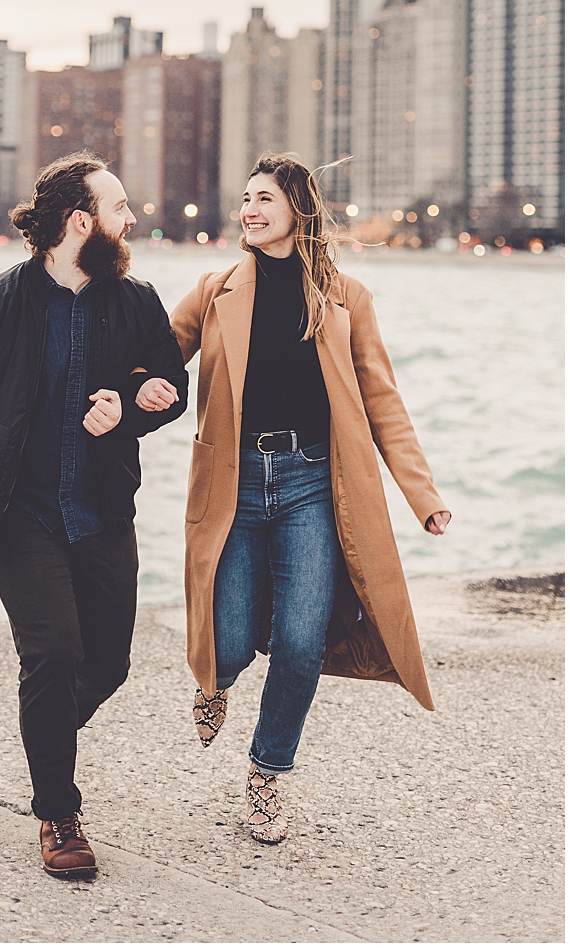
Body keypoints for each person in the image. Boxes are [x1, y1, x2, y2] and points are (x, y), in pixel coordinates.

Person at [142, 154, 450, 843]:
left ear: (297, 209)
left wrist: (421, 494)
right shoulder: (215, 286)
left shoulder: (346, 297)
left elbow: (383, 402)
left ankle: (265, 776)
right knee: (230, 638)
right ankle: (215, 678)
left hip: (314, 482)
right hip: (236, 485)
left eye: (264, 199)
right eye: (245, 198)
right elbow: (157, 351)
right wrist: (134, 384)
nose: (249, 210)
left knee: (303, 640)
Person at [0, 152, 189, 878]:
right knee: (53, 652)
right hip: (18, 512)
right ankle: (58, 813)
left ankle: (44, 737)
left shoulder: (136, 301)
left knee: (109, 661)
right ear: (80, 221)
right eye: (119, 207)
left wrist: (134, 406)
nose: (131, 218)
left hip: (101, 510)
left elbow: (172, 383)